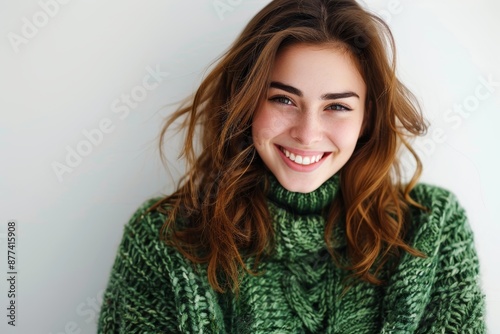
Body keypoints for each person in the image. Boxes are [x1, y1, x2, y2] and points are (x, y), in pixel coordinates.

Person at [98, 0, 486, 332]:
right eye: (284, 100)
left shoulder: (431, 231)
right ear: (246, 100)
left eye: (337, 106)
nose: (307, 133)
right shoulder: (165, 240)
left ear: (367, 118)